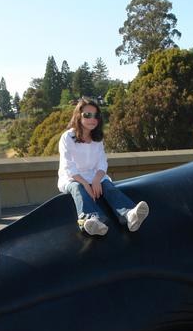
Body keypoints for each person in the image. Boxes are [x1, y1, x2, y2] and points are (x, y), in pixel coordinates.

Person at [57, 98, 149, 236]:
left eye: (96, 116)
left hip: (94, 175)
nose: (92, 119)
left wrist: (96, 180)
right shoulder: (67, 137)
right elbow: (68, 166)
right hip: (73, 178)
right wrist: (85, 184)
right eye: (87, 115)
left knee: (108, 186)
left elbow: (102, 162)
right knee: (77, 188)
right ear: (78, 116)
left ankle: (130, 215)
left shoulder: (97, 139)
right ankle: (90, 220)